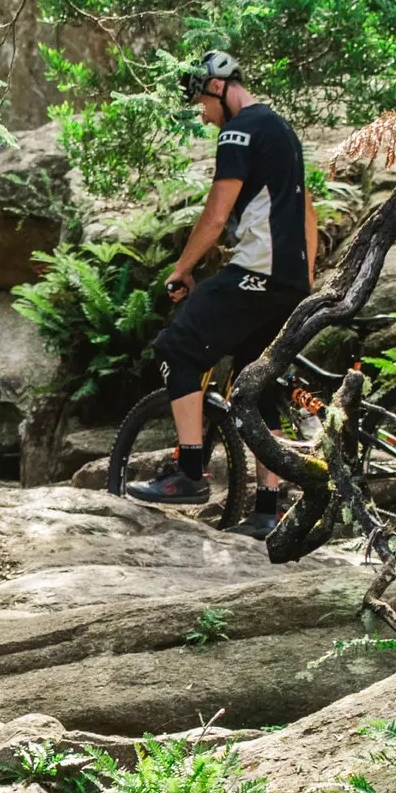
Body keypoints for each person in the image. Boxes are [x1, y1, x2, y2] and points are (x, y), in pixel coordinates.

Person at [132, 50, 320, 539]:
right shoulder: (281, 130)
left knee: (177, 346)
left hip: (258, 271)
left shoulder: (240, 131)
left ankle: (189, 472)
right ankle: (266, 509)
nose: (203, 113)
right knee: (257, 389)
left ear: (218, 87)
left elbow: (216, 215)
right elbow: (309, 214)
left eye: (202, 102)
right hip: (288, 279)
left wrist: (182, 269)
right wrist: (305, 278)